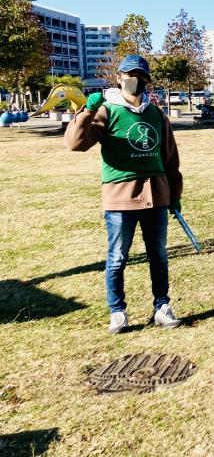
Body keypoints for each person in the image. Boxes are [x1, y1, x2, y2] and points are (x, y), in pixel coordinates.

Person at [64, 55, 183, 334]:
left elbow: (170, 160)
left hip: (156, 197)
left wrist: (174, 195)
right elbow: (74, 144)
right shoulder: (107, 110)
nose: (135, 80)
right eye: (129, 75)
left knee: (159, 256)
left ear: (146, 81)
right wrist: (85, 113)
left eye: (140, 76)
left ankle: (162, 306)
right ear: (118, 78)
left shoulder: (156, 114)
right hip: (120, 199)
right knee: (117, 257)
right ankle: (118, 312)